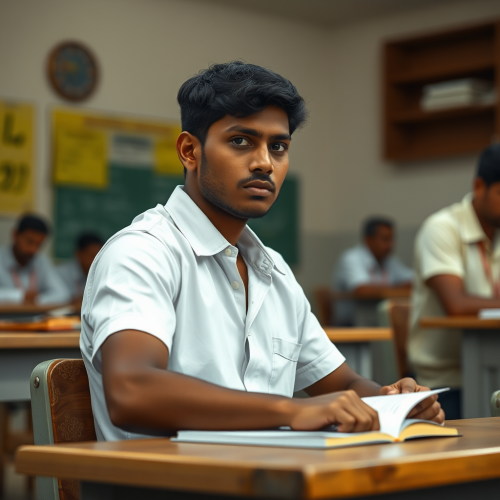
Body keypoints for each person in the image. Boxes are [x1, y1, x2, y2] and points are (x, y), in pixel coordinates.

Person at [80, 61, 443, 442]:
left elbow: (343, 382)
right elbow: (132, 392)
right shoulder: (142, 252)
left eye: (279, 147)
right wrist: (291, 410)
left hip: (270, 475)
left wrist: (394, 401)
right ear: (190, 151)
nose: (264, 163)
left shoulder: (274, 271)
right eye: (241, 141)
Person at [409, 144, 500, 420]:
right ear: (479, 186)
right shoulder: (442, 228)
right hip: (446, 381)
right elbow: (457, 305)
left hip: (494, 371)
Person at [332, 217, 413, 326]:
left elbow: (412, 279)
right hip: (350, 324)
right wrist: (400, 287)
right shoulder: (351, 258)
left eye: (391, 239)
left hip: (377, 320)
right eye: (385, 239)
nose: (390, 245)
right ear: (368, 240)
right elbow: (362, 290)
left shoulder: (388, 260)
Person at [0, 214, 70, 305]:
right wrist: (20, 296)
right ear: (16, 235)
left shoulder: (41, 261)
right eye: (29, 242)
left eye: (39, 245)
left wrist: (37, 299)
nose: (33, 249)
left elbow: (63, 294)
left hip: (35, 317)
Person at [57, 233, 104, 303]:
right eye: (92, 256)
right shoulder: (60, 273)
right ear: (79, 254)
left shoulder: (99, 273)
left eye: (98, 257)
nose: (95, 261)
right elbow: (59, 299)